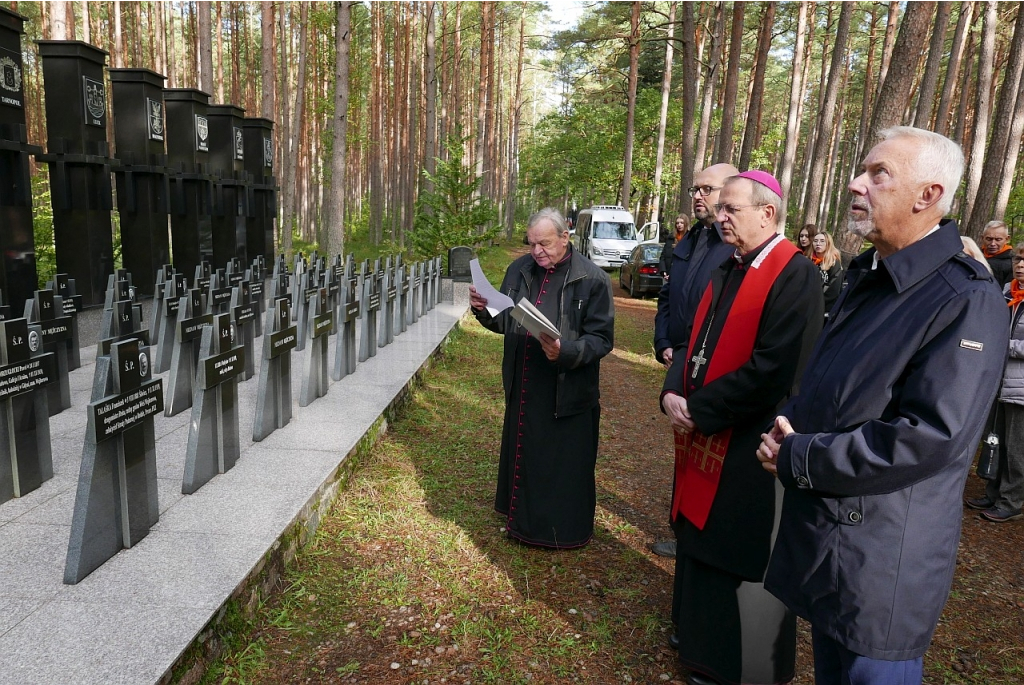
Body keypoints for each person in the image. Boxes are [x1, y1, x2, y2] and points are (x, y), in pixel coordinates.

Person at [757, 127, 1007, 685]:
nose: (856, 183)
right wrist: (787, 428)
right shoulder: (867, 278)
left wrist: (801, 457)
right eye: (861, 170)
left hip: (882, 561)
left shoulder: (966, 298)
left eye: (878, 174)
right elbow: (833, 384)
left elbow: (929, 437)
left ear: (928, 196)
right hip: (830, 537)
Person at [661, 170, 823, 685]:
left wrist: (702, 409)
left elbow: (775, 370)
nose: (719, 215)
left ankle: (736, 664)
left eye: (731, 208)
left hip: (752, 439)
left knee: (738, 547)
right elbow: (692, 340)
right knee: (702, 539)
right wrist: (673, 390)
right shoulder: (727, 267)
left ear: (767, 213)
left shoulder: (793, 274)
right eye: (719, 206)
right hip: (709, 426)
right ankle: (697, 639)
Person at [469, 208, 614, 549]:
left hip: (567, 386)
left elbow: (602, 339)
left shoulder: (593, 279)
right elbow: (504, 320)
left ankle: (559, 531)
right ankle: (520, 521)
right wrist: (482, 309)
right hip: (525, 382)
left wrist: (566, 352)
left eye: (544, 244)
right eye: (532, 244)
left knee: (561, 464)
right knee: (527, 454)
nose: (536, 252)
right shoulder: (519, 269)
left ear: (566, 237)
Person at [650, 163, 738, 562]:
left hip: (713, 365)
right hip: (681, 357)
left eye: (708, 188)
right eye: (695, 188)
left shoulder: (735, 246)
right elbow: (668, 295)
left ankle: (697, 537)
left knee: (711, 459)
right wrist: (665, 341)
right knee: (683, 453)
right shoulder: (689, 240)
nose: (699, 195)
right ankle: (680, 528)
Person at [967, 243, 1024, 522]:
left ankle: (1011, 501)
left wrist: (1003, 343)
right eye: (1018, 259)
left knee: (1017, 449)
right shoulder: (1005, 293)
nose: (1020, 265)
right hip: (999, 382)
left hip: (1021, 389)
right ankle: (993, 491)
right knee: (995, 441)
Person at [810, 231, 844, 315]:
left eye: (822, 241)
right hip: (808, 304)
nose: (818, 243)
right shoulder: (809, 261)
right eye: (815, 241)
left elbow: (834, 290)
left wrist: (817, 303)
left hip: (825, 308)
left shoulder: (834, 263)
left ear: (828, 243)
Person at [659, 213, 690, 278]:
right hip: (668, 275)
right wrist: (663, 271)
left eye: (682, 223)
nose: (679, 225)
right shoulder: (670, 238)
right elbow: (663, 256)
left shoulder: (690, 238)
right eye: (677, 223)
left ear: (686, 224)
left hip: (684, 275)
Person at [983, 220, 1013, 287]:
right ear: (982, 238)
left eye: (998, 239)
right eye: (989, 239)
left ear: (1007, 239)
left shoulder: (1013, 262)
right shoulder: (974, 256)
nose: (993, 244)